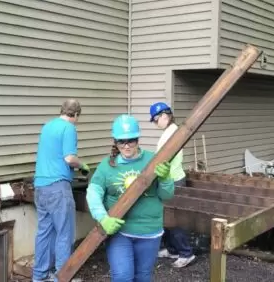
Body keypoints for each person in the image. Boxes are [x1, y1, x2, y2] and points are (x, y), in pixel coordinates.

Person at [86, 114, 175, 282]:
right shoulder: (107, 166)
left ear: (138, 139)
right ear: (115, 142)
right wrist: (102, 217)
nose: (126, 146)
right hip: (120, 232)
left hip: (149, 231)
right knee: (122, 277)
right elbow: (93, 192)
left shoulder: (153, 160)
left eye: (131, 141)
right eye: (121, 142)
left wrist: (165, 178)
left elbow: (167, 196)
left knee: (143, 277)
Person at [33, 99, 90, 282]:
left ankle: (39, 276)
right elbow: (69, 158)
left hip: (40, 186)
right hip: (58, 187)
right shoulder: (69, 128)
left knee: (44, 233)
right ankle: (63, 277)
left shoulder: (47, 126)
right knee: (64, 233)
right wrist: (82, 164)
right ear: (76, 114)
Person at [149, 102, 196, 268]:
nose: (155, 123)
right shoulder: (170, 131)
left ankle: (186, 253)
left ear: (164, 115)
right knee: (167, 217)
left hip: (174, 180)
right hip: (169, 179)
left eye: (155, 119)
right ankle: (172, 249)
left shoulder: (172, 133)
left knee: (175, 219)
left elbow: (162, 159)